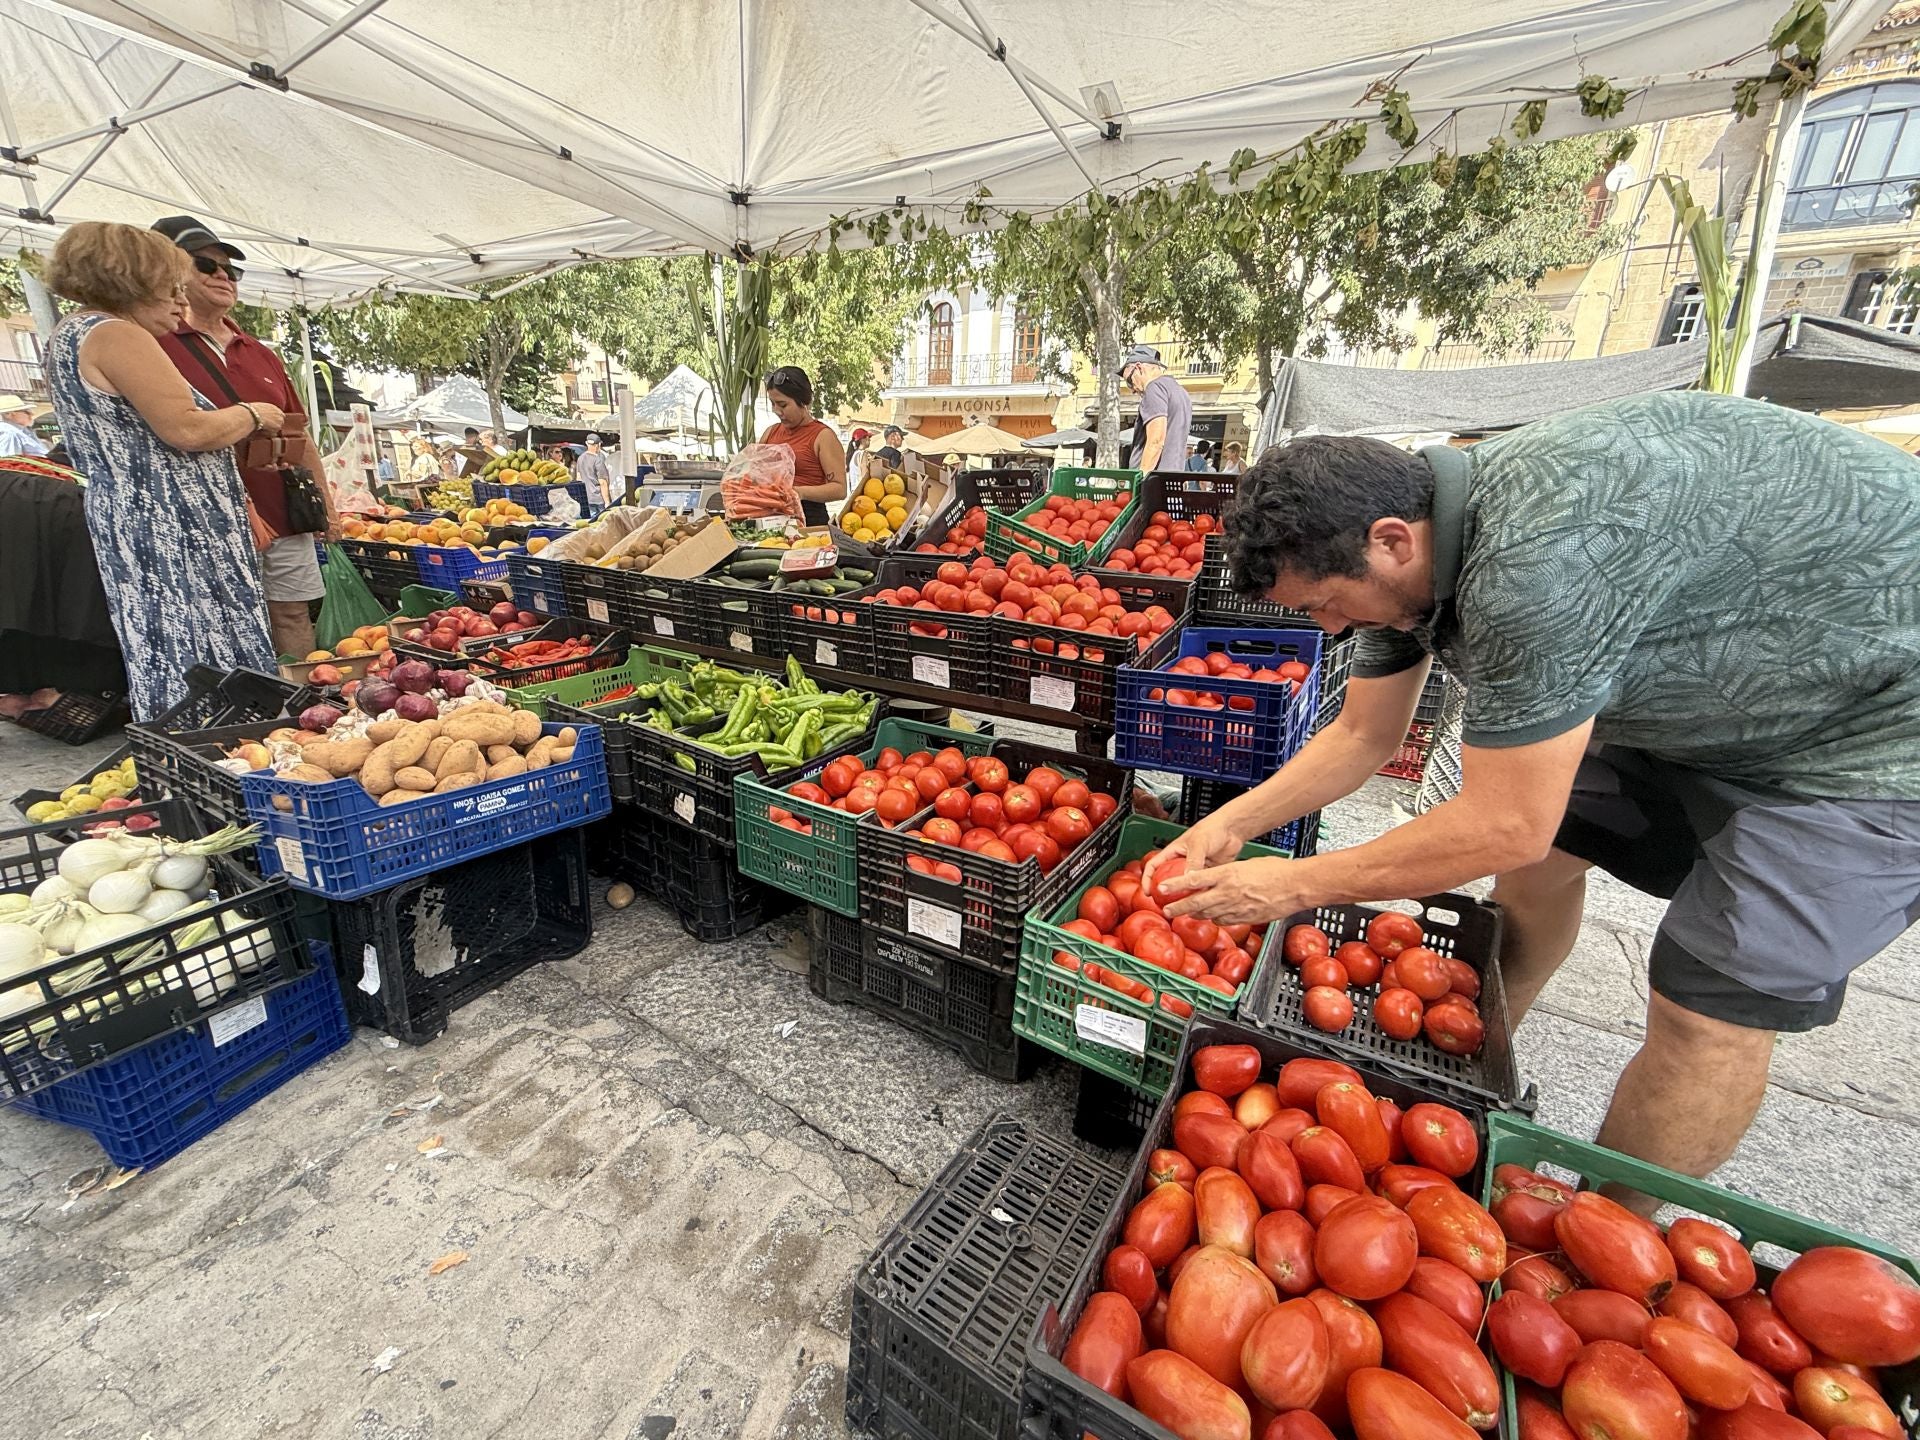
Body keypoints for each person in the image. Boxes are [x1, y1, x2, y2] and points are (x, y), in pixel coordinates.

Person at [1148, 392, 1920, 1195]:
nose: (1332, 629)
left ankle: (1606, 1242)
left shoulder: (1535, 564)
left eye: (1325, 605)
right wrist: (1233, 826)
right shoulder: (1409, 547)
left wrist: (1294, 884)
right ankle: (1477, 1053)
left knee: (1711, 1001)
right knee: (1542, 864)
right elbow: (1363, 735)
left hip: (1878, 732)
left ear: (1391, 541)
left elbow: (1506, 822)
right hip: (1724, 684)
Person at [42, 221, 279, 720]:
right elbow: (186, 430)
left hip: (139, 516)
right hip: (174, 523)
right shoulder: (116, 334)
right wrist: (253, 413)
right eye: (169, 288)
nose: (180, 303)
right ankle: (226, 753)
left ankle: (191, 757)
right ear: (129, 279)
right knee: (199, 645)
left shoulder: (71, 334)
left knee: (167, 646)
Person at [151, 213, 336, 660]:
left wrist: (327, 507)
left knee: (292, 614)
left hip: (282, 508)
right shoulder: (153, 342)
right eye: (206, 265)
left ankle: (302, 707)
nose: (222, 276)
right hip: (205, 519)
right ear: (168, 269)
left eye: (230, 270)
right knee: (223, 620)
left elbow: (300, 435)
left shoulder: (260, 353)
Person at [759, 366, 847, 525]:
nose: (776, 411)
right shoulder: (770, 433)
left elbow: (840, 489)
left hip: (809, 521)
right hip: (768, 520)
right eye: (773, 404)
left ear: (803, 401)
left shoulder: (823, 436)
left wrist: (800, 492)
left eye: (783, 405)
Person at [1119, 344, 1191, 474]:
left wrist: (1141, 479)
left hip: (1153, 482)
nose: (1132, 390)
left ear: (1139, 368)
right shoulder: (1181, 392)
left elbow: (1156, 441)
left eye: (1129, 381)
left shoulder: (1154, 388)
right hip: (1171, 478)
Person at [574, 431, 614, 507]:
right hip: (598, 499)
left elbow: (578, 478)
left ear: (587, 443)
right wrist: (607, 502)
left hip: (586, 498)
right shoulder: (598, 460)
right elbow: (602, 482)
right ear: (598, 445)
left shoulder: (580, 458)